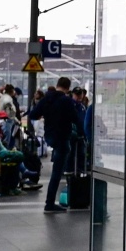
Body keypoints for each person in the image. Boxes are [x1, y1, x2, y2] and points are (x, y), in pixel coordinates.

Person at [32, 76, 79, 212]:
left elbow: (34, 114)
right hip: (62, 137)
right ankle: (49, 203)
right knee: (57, 172)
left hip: (50, 136)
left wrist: (46, 115)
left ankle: (50, 202)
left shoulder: (46, 98)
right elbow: (75, 118)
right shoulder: (66, 100)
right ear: (68, 88)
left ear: (57, 84)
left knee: (57, 169)